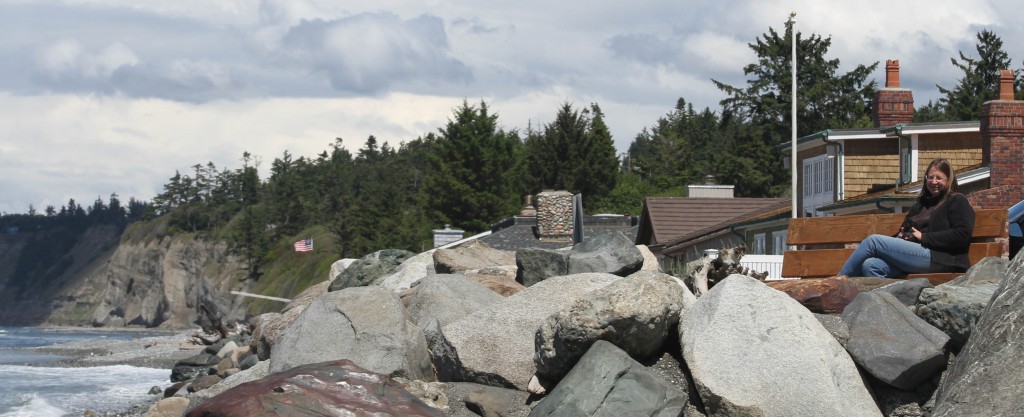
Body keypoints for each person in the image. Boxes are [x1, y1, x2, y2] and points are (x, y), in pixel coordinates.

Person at [838, 158, 975, 278]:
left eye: (939, 178)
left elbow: (962, 234)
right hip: (915, 256)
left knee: (873, 241)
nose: (934, 182)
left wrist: (924, 237)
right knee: (871, 265)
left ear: (948, 180)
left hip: (942, 258)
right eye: (930, 177)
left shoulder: (956, 200)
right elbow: (906, 230)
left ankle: (839, 281)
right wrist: (903, 236)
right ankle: (886, 305)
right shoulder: (920, 204)